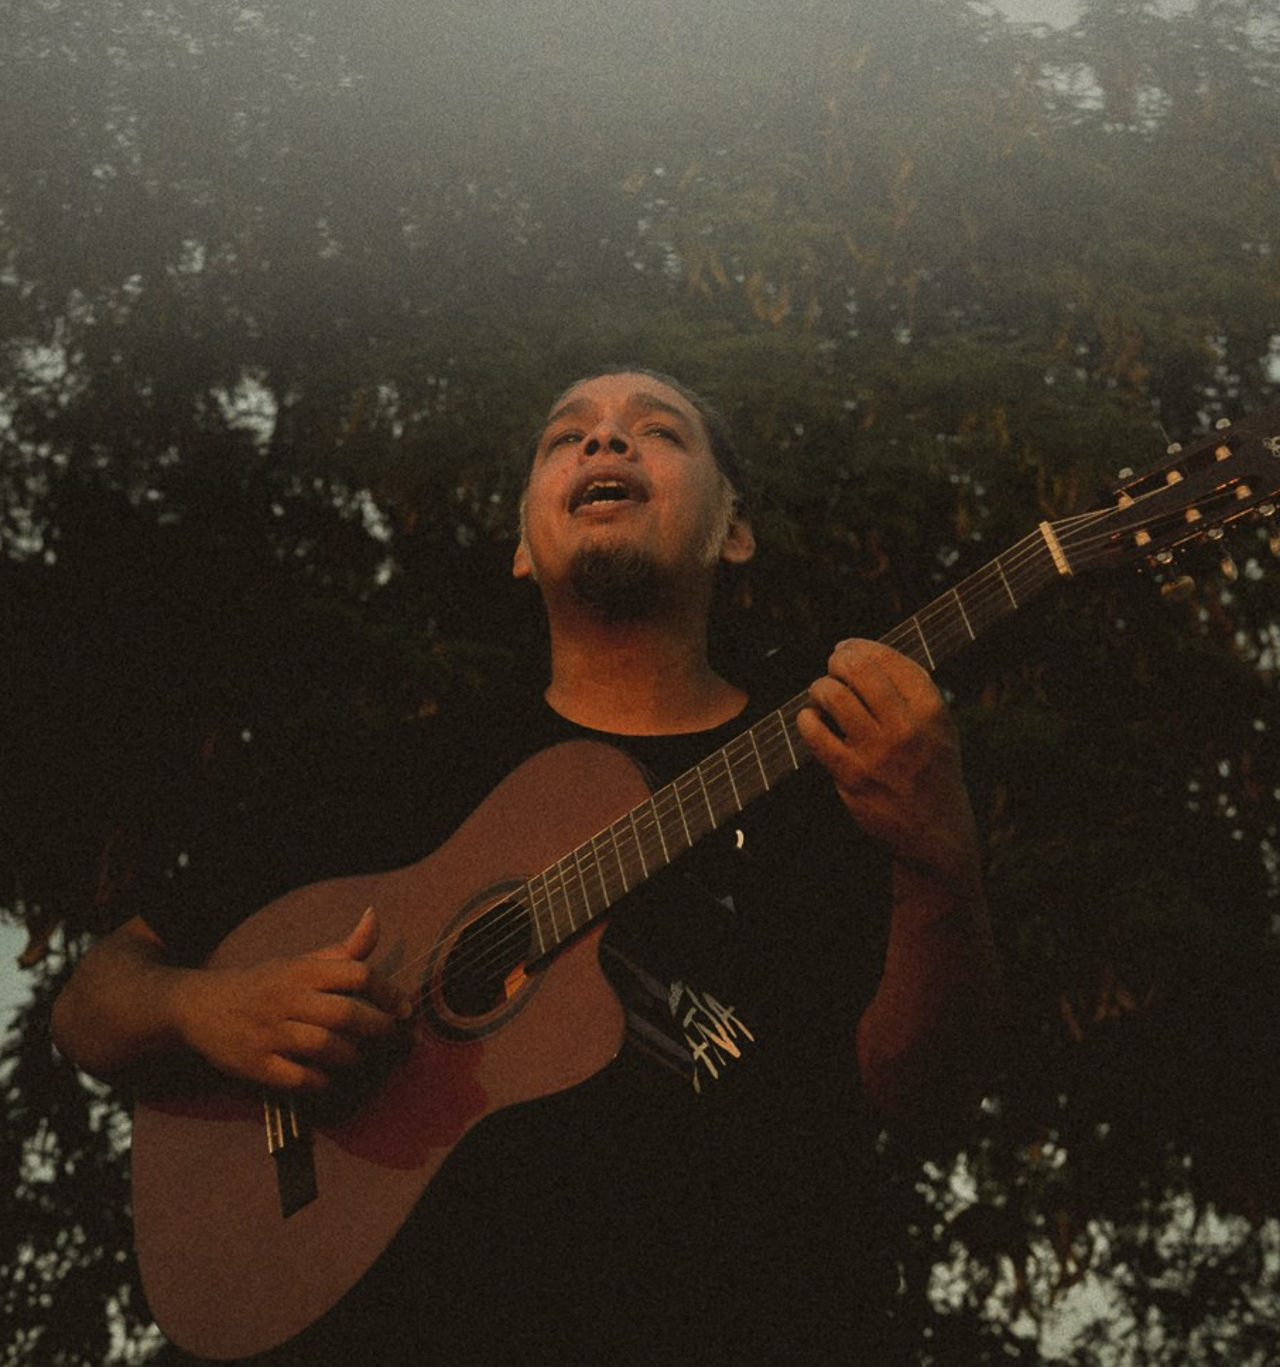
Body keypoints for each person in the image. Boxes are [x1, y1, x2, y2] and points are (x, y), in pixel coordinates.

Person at [53, 368, 1000, 1365]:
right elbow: (90, 1005)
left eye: (658, 431)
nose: (603, 444)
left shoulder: (850, 773)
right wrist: (207, 1010)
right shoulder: (383, 780)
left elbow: (924, 1096)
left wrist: (938, 858)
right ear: (519, 544)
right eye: (566, 437)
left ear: (734, 528)